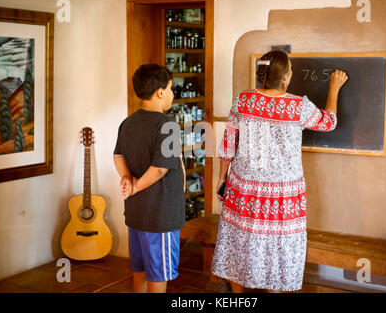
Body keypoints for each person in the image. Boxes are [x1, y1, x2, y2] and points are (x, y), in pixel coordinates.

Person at [211, 50, 348, 292]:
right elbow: (329, 122)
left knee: (239, 242)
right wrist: (334, 88)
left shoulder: (242, 100)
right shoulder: (298, 106)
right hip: (282, 195)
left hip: (243, 188)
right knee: (278, 248)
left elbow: (228, 143)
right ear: (284, 78)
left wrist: (222, 177)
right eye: (291, 70)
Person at [113, 64, 186, 293]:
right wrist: (135, 187)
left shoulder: (128, 122)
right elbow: (159, 169)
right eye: (171, 89)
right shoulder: (167, 125)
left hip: (137, 215)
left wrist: (126, 176)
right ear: (161, 92)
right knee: (158, 274)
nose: (173, 94)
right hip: (159, 216)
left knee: (141, 269)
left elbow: (117, 155)